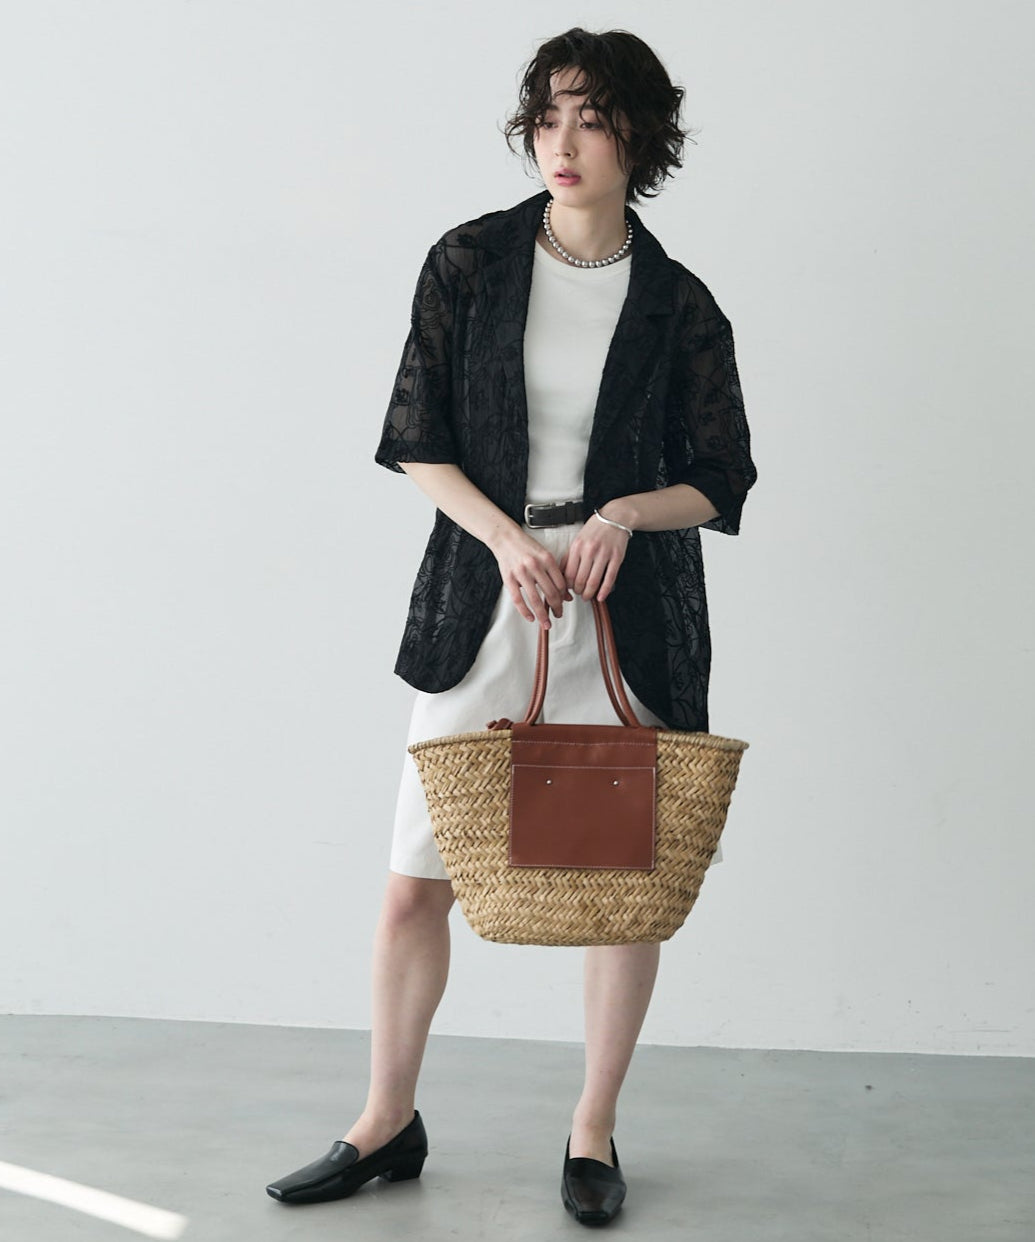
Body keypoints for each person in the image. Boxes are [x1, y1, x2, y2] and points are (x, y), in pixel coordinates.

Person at [266, 26, 756, 1227]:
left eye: (591, 118)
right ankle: (385, 1121)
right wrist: (505, 541)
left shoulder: (680, 303)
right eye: (547, 117)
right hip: (486, 600)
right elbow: (416, 438)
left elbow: (723, 475)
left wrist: (625, 514)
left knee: (622, 890)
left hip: (623, 623)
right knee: (413, 884)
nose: (562, 142)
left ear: (640, 135)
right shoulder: (470, 263)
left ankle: (592, 1130)